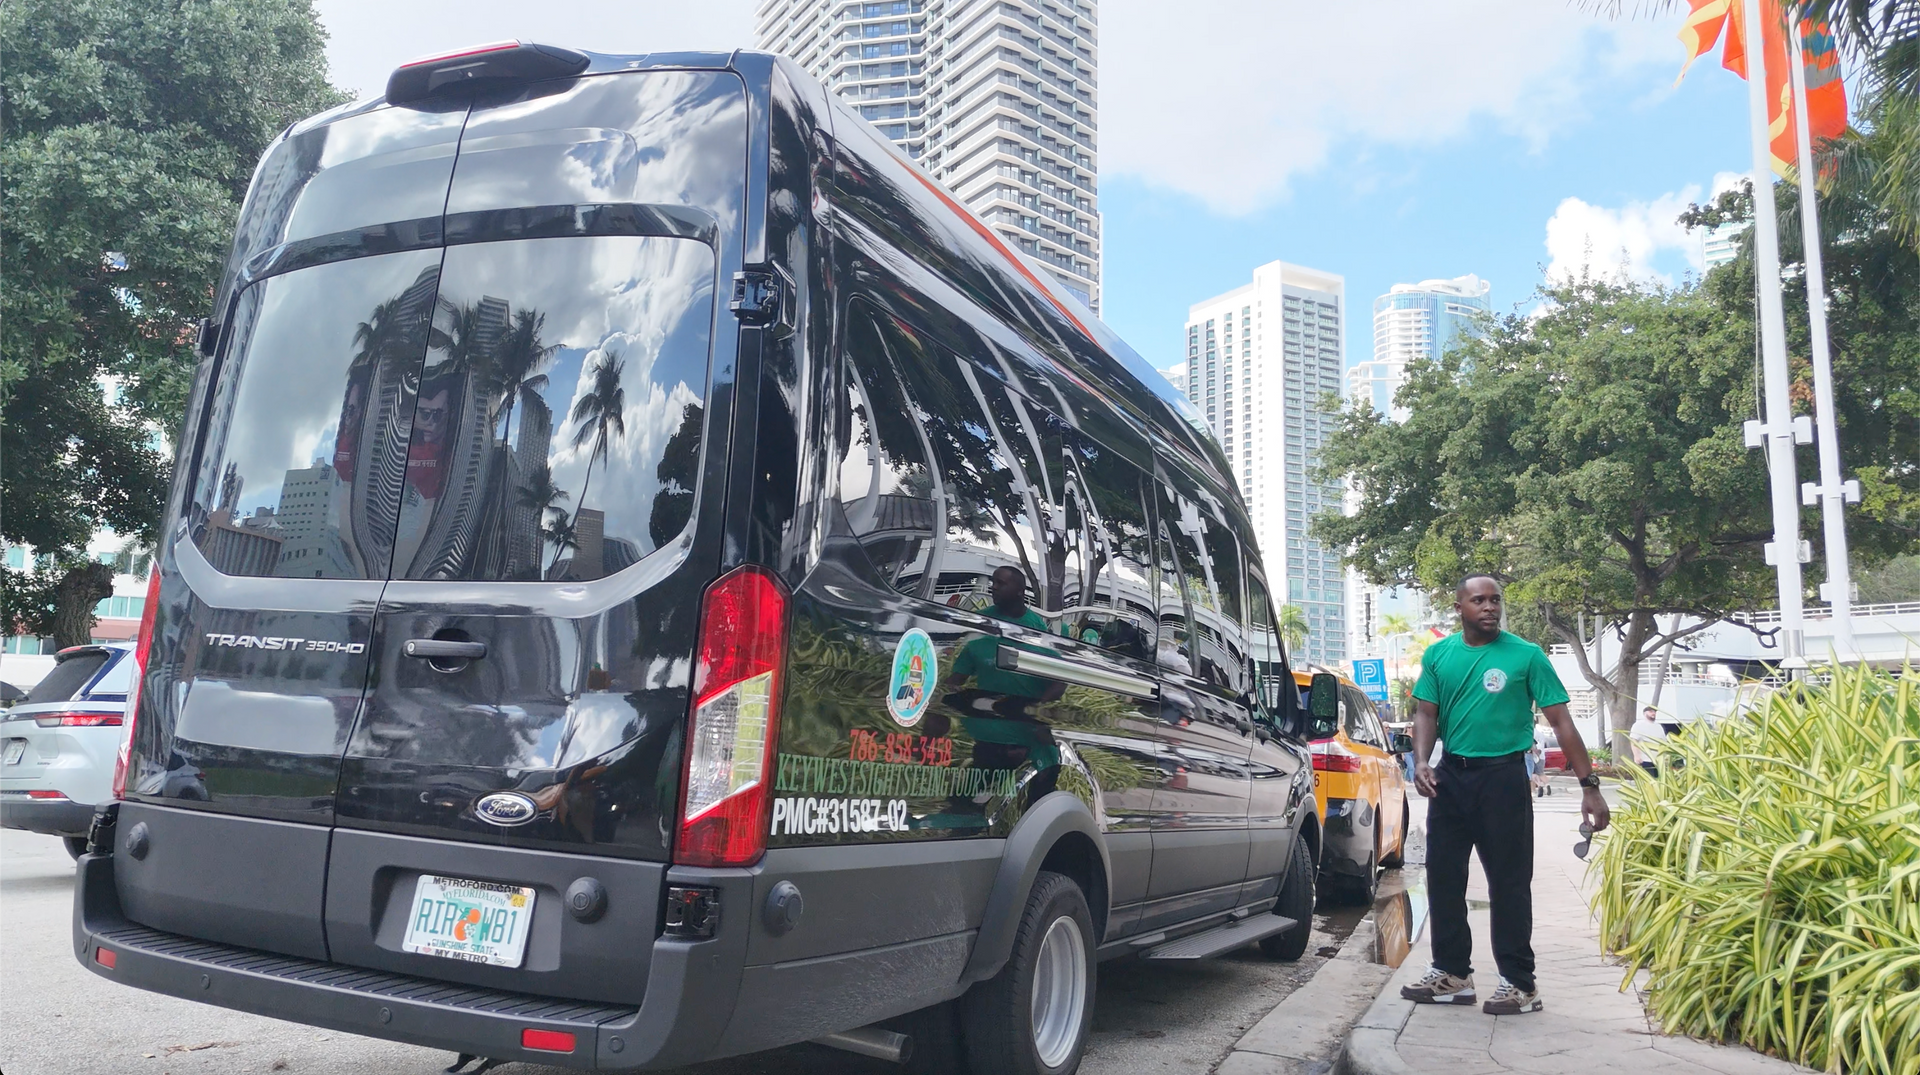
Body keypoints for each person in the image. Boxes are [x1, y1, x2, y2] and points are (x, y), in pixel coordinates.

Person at [1399, 576, 1609, 1016]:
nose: (1489, 607)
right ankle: (1453, 974)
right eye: (1479, 600)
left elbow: (1561, 723)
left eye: (1495, 600)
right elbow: (1425, 713)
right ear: (1460, 607)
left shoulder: (1526, 655)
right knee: (1443, 878)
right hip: (1450, 778)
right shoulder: (1440, 655)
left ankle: (1520, 983)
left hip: (1504, 779)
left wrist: (1590, 787)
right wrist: (1421, 762)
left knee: (1509, 884)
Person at [1630, 705, 1668, 778]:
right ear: (1644, 713)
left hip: (1659, 760)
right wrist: (1636, 756)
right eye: (1650, 711)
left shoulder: (1658, 726)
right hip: (1645, 759)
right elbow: (1634, 741)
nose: (1653, 713)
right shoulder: (1638, 725)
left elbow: (1664, 743)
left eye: (1654, 712)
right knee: (1649, 780)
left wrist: (1665, 757)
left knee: (1659, 781)